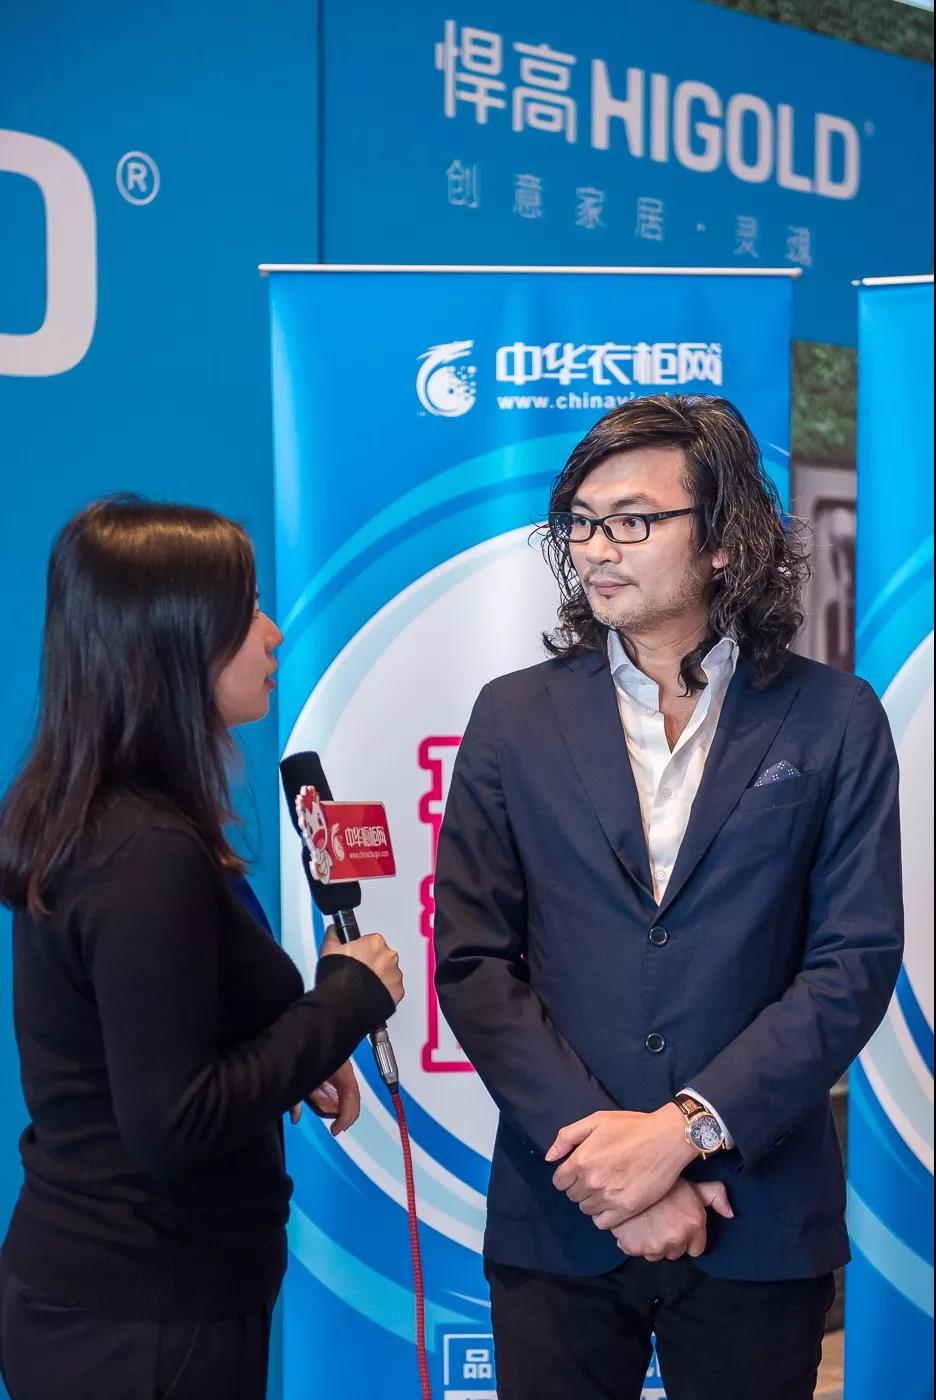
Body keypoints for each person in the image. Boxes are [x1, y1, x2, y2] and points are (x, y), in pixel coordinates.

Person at [433, 395, 903, 1400]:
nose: (597, 548)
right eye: (582, 522)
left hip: (758, 1210)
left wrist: (683, 1130)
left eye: (633, 520)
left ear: (725, 540)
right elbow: (474, 960)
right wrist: (613, 1169)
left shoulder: (832, 718)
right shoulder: (513, 717)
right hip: (563, 1211)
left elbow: (852, 962)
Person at [0, 498, 404, 1400]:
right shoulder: (145, 853)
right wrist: (346, 998)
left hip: (124, 1304)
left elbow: (152, 1046)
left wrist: (289, 1056)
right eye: (246, 609)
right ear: (170, 640)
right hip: (141, 1322)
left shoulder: (109, 818)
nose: (273, 632)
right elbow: (174, 1123)